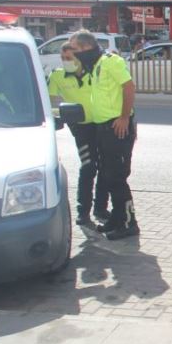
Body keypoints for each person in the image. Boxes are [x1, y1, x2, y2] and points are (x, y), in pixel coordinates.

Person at [69, 29, 139, 240]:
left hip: (117, 126)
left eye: (74, 49)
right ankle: (117, 219)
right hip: (103, 128)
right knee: (108, 176)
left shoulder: (110, 61)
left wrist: (124, 117)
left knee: (117, 177)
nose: (73, 54)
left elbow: (128, 87)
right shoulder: (96, 65)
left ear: (85, 47)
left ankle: (129, 223)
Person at [47, 43, 109, 226]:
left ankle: (101, 208)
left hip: (101, 124)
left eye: (70, 58)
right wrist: (57, 116)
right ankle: (83, 211)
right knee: (88, 167)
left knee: (105, 167)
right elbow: (48, 102)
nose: (66, 62)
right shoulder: (57, 76)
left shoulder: (95, 72)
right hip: (80, 127)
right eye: (63, 58)